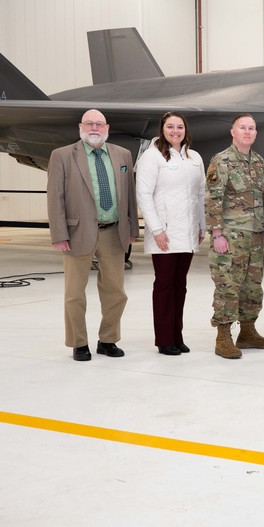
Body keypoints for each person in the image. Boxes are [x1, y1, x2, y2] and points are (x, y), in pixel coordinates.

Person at [47, 110, 139, 361]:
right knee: (75, 294)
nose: (94, 127)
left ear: (107, 127)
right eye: (89, 123)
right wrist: (59, 234)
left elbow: (130, 195)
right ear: (81, 126)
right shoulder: (63, 155)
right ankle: (79, 343)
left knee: (116, 293)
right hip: (77, 234)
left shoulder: (123, 155)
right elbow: (55, 198)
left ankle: (108, 340)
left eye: (99, 123)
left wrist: (132, 229)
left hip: (113, 233)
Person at [205, 113, 264, 359]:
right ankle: (223, 336)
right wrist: (217, 233)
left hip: (255, 236)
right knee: (228, 285)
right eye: (243, 128)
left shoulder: (259, 162)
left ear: (256, 133)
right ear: (233, 132)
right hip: (231, 236)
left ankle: (247, 332)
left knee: (252, 287)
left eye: (252, 128)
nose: (248, 132)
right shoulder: (222, 161)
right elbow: (213, 198)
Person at [135, 112, 205, 356]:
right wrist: (156, 229)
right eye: (170, 127)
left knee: (180, 285)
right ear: (162, 129)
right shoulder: (151, 157)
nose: (175, 131)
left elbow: (200, 195)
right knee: (164, 285)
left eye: (180, 127)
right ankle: (164, 339)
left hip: (187, 233)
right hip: (163, 233)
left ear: (186, 130)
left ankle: (177, 335)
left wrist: (201, 226)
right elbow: (143, 195)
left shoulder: (194, 157)